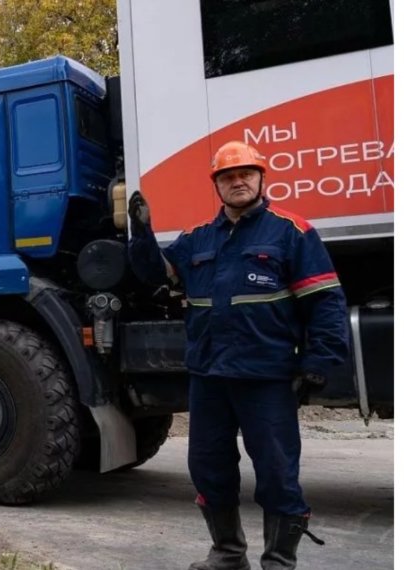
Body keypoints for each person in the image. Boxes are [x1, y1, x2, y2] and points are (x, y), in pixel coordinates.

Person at [127, 141, 349, 570]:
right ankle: (228, 554)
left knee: (277, 472)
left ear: (262, 178)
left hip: (266, 376)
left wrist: (319, 363)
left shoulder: (292, 232)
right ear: (217, 186)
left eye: (246, 173)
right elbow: (154, 275)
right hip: (209, 375)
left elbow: (325, 301)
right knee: (209, 467)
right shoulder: (197, 239)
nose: (238, 181)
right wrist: (141, 234)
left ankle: (279, 562)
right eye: (228, 176)